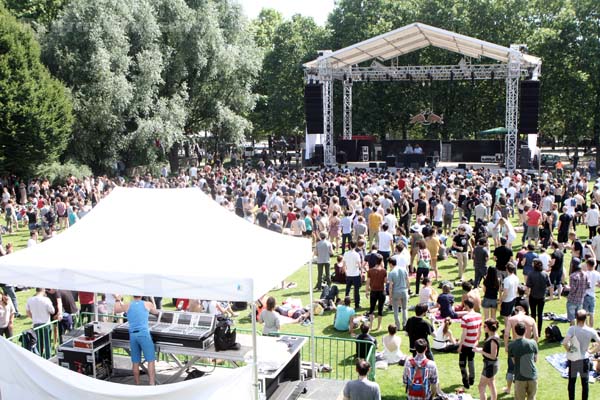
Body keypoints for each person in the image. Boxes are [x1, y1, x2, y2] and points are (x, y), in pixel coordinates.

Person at [114, 296, 159, 385]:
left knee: (135, 361)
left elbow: (116, 309)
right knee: (150, 360)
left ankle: (137, 384)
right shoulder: (147, 304)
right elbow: (156, 312)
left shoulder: (128, 305)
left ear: (132, 295)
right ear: (142, 295)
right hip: (144, 334)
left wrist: (117, 299)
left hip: (133, 335)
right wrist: (152, 298)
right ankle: (152, 383)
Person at [562, 310, 600, 400]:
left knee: (572, 383)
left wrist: (569, 350)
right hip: (584, 359)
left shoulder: (572, 329)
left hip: (574, 359)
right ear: (585, 318)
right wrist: (591, 352)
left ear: (576, 318)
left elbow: (564, 343)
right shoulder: (591, 330)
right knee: (585, 383)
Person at [503, 305, 538, 395]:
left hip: (515, 346)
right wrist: (534, 346)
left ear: (516, 311)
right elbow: (536, 336)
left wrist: (506, 346)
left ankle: (508, 388)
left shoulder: (511, 319)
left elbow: (506, 334)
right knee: (529, 367)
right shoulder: (531, 319)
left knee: (511, 369)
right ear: (525, 311)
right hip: (529, 347)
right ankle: (527, 388)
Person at [507, 322, 538, 400]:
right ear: (525, 331)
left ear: (515, 331)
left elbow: (514, 362)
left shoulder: (511, 345)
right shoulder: (533, 343)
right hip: (532, 376)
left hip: (520, 377)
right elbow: (535, 359)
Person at [458, 299, 482, 389]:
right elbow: (480, 330)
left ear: (467, 306)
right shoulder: (479, 316)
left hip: (466, 344)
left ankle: (465, 381)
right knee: (471, 361)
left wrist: (460, 346)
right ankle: (472, 379)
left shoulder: (465, 318)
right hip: (473, 343)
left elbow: (464, 333)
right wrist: (477, 341)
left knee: (462, 363)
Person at [474, 319, 501, 400]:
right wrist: (481, 350)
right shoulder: (492, 336)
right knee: (491, 384)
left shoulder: (493, 340)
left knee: (481, 386)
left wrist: (481, 351)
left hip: (490, 365)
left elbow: (493, 356)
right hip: (490, 364)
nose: (483, 327)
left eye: (485, 326)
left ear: (489, 328)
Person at [526, 259, 551, 336]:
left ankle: (534, 331)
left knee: (533, 314)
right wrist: (550, 295)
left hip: (533, 296)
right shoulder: (545, 274)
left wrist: (527, 295)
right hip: (541, 297)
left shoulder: (531, 274)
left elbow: (528, 287)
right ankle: (539, 332)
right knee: (540, 315)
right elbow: (549, 285)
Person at [388, 255, 410, 330]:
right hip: (404, 291)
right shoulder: (404, 270)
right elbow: (408, 281)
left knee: (396, 310)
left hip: (396, 292)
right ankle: (405, 324)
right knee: (404, 309)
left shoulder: (391, 273)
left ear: (391, 264)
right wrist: (408, 290)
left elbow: (390, 286)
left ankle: (397, 326)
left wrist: (390, 296)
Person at [366, 253, 386, 331]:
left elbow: (368, 282)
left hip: (373, 291)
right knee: (380, 309)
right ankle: (378, 326)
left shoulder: (370, 271)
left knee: (372, 309)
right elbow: (385, 281)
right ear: (381, 261)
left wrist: (367, 291)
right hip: (381, 291)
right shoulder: (384, 271)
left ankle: (370, 325)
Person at [567, 257, 589, 325]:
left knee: (572, 318)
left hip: (572, 300)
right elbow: (588, 285)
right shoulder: (585, 274)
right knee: (579, 318)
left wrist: (567, 288)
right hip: (580, 299)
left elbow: (573, 290)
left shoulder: (573, 276)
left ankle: (573, 333)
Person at [343, 241, 364, 309]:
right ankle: (357, 305)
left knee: (347, 290)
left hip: (349, 274)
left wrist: (346, 272)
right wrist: (361, 271)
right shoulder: (356, 254)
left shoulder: (346, 253)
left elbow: (344, 265)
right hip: (355, 274)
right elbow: (359, 264)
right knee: (356, 291)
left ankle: (346, 303)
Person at [583, 258, 600, 327]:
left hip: (585, 294)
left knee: (585, 313)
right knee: (591, 313)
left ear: (588, 265)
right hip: (592, 295)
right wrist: (595, 284)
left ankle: (586, 327)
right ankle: (591, 328)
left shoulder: (585, 274)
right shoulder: (597, 274)